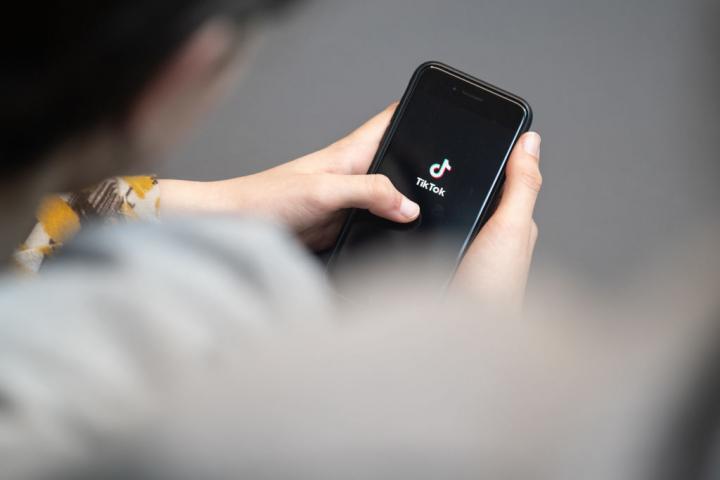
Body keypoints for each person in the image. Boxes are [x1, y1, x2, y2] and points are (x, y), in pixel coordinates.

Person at [0, 1, 598, 478]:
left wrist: (225, 204)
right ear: (186, 69)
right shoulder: (129, 369)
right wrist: (460, 368)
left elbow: (35, 225)